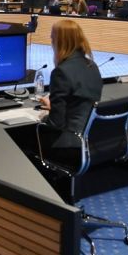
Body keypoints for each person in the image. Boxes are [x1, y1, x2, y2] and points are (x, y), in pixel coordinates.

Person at [36, 20, 103, 157]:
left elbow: (56, 123)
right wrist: (54, 106)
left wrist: (43, 117)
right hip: (92, 139)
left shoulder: (61, 72)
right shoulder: (92, 65)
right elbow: (80, 104)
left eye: (52, 38)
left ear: (59, 41)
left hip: (68, 143)